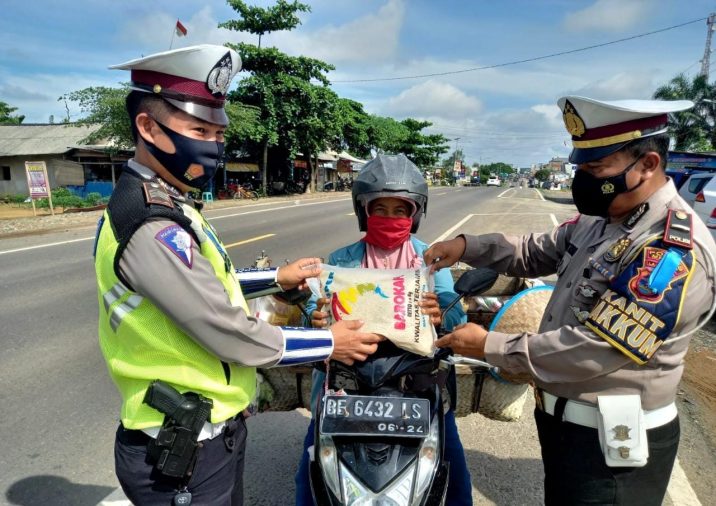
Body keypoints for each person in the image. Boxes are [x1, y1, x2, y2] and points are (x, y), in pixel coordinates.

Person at [94, 44, 381, 506]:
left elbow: (206, 285)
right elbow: (229, 332)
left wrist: (276, 280)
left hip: (203, 437)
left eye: (217, 132)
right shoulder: (151, 222)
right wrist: (331, 343)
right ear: (147, 127)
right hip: (179, 448)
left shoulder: (166, 201)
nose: (212, 144)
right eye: (198, 129)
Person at [425, 96, 716, 505]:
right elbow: (533, 251)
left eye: (596, 169)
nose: (583, 178)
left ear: (647, 165)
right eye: (581, 166)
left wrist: (488, 346)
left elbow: (596, 350)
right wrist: (467, 244)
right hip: (567, 428)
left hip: (611, 450)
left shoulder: (669, 252)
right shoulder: (605, 217)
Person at [294, 154, 472, 505]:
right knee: (310, 471)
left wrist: (440, 313)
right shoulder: (342, 258)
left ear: (415, 214)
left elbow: (456, 319)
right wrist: (314, 320)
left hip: (416, 382)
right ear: (364, 211)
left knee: (455, 473)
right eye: (381, 209)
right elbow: (314, 316)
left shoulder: (431, 261)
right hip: (348, 379)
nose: (390, 218)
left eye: (400, 210)